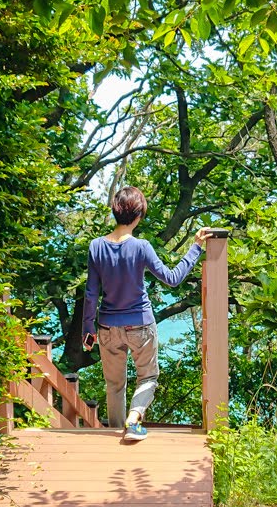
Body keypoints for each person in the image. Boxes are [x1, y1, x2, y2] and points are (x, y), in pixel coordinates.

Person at [82, 186, 209, 442]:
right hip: (140, 324)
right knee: (148, 376)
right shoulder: (141, 247)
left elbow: (91, 294)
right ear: (138, 215)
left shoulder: (96, 247)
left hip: (107, 326)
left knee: (114, 384)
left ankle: (116, 432)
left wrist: (88, 328)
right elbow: (173, 279)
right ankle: (134, 419)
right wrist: (196, 248)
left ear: (115, 211)